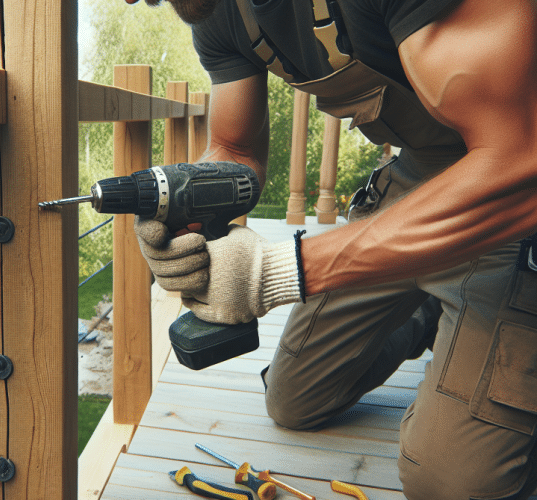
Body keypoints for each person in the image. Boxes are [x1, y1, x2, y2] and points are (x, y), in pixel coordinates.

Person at [129, 0, 537, 497]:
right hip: (418, 179)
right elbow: (233, 150)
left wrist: (279, 269)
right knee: (295, 399)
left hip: (509, 201)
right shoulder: (219, 12)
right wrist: (185, 210)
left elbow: (520, 157)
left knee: (450, 483)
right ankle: (434, 312)